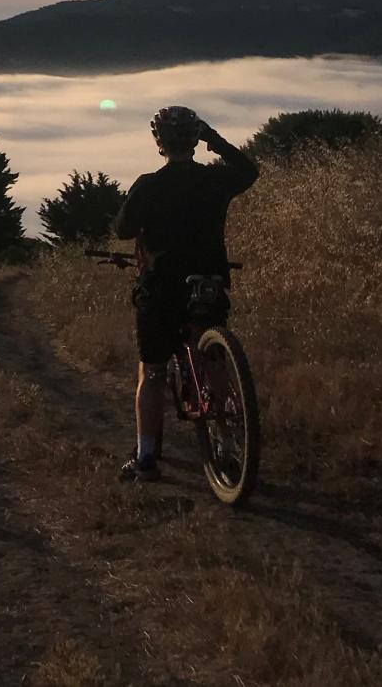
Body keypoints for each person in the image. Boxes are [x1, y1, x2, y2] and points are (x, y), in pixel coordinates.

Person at [111, 106, 258, 482]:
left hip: (161, 287)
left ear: (158, 142)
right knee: (211, 358)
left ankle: (145, 459)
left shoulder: (149, 185)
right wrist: (216, 140)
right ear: (196, 140)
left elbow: (124, 231)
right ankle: (226, 440)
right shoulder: (215, 181)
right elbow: (249, 171)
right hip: (208, 280)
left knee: (153, 371)